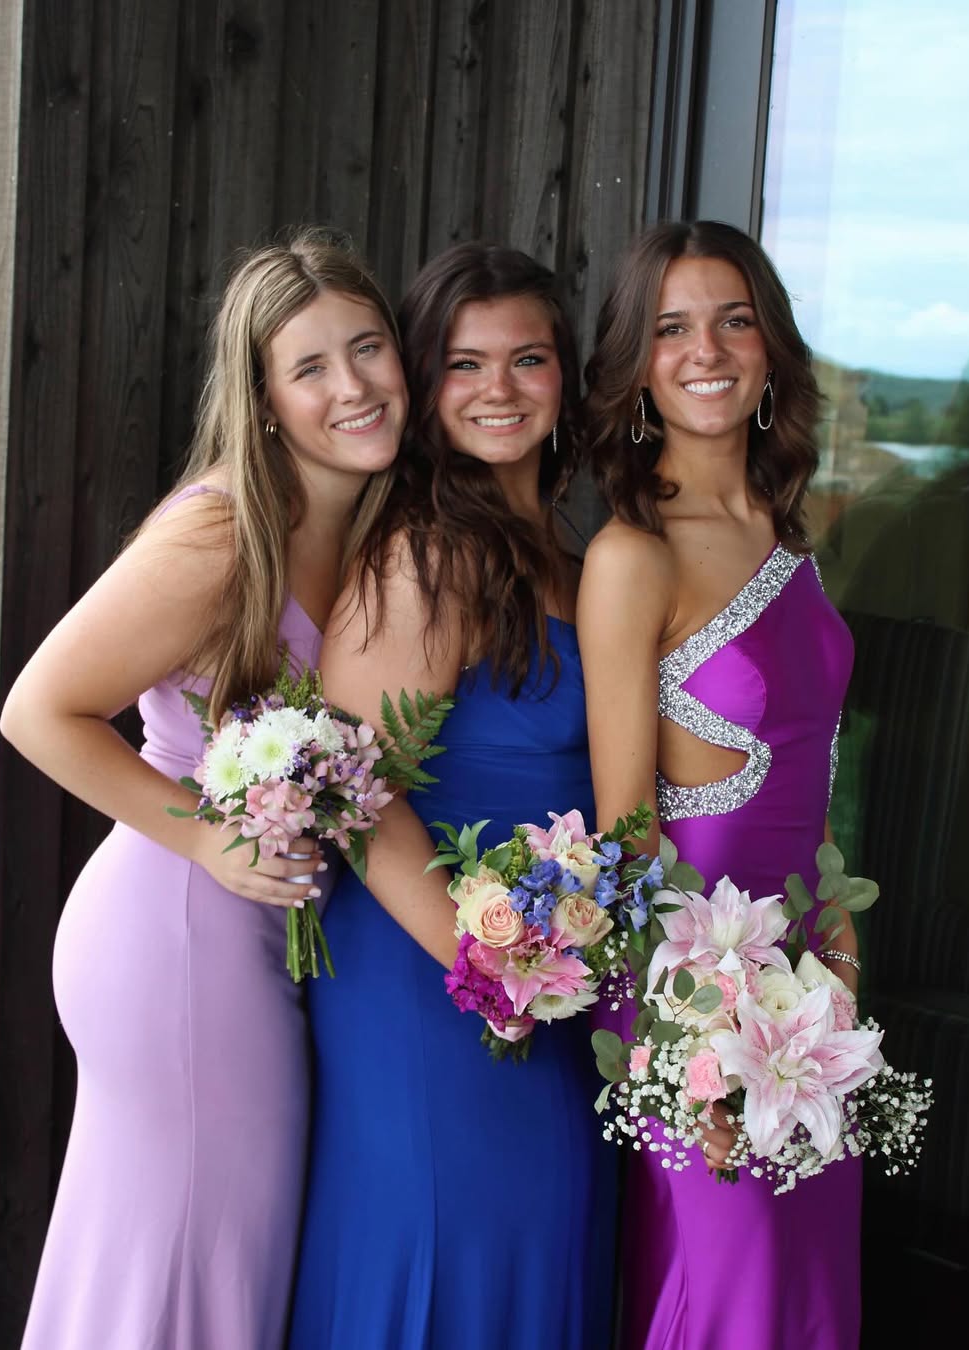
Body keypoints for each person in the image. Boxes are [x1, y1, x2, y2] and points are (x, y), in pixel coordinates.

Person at [0, 228, 407, 1350]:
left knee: (192, 1262)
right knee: (189, 1262)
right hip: (179, 930)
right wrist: (210, 842)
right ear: (265, 401)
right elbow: (37, 711)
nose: (353, 386)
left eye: (368, 348)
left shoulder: (369, 530)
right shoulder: (224, 531)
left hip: (253, 937)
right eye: (311, 367)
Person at [288, 243, 617, 1350]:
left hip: (542, 971)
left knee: (538, 1245)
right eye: (466, 364)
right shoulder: (428, 555)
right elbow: (352, 789)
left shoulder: (566, 556)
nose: (498, 389)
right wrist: (493, 968)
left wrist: (545, 967)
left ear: (564, 376)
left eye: (529, 359)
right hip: (430, 977)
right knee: (447, 1243)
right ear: (428, 384)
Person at [578, 220, 862, 1350]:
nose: (707, 350)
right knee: (730, 1300)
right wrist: (693, 1052)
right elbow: (625, 834)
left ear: (770, 349)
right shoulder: (631, 554)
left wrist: (839, 987)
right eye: (672, 328)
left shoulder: (789, 539)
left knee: (805, 1301)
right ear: (639, 367)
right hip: (689, 1002)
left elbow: (814, 802)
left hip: (808, 1004)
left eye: (734, 320)